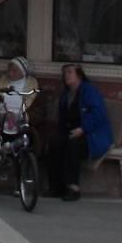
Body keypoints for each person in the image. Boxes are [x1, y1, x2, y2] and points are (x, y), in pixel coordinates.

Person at [47, 62, 111, 201]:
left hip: (91, 135)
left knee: (73, 145)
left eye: (70, 72)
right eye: (65, 73)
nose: (66, 75)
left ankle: (73, 188)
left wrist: (83, 129)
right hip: (72, 132)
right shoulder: (66, 94)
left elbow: (98, 114)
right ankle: (56, 187)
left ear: (79, 75)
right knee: (54, 143)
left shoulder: (89, 91)